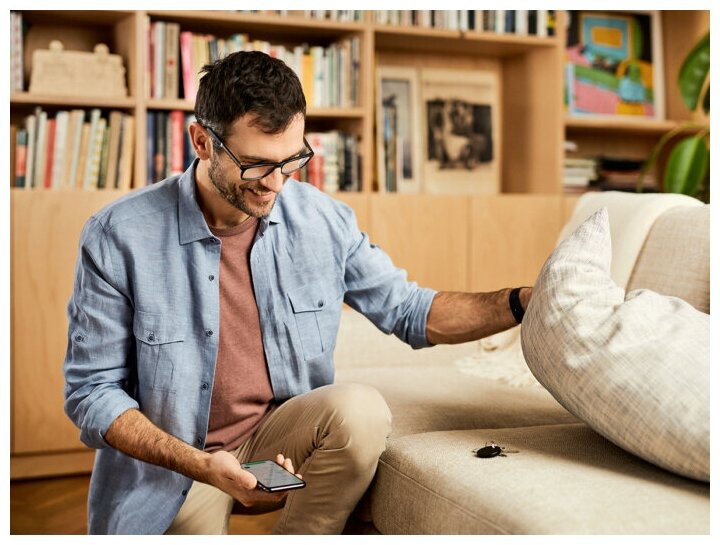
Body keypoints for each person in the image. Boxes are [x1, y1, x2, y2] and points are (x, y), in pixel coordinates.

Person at [63, 51, 532, 535]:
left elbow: (411, 311)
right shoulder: (118, 235)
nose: (275, 184)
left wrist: (520, 302)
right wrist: (203, 466)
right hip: (178, 467)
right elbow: (92, 393)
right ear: (202, 141)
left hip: (276, 442)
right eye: (255, 165)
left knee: (359, 411)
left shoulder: (323, 220)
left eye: (292, 161)